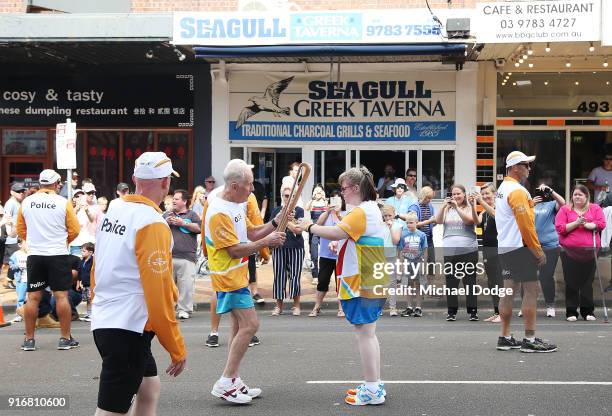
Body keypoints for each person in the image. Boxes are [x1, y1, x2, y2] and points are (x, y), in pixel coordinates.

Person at [91, 152, 187, 415]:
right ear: (166, 183)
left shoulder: (115, 209)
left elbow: (97, 266)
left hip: (108, 318)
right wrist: (176, 347)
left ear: (134, 179)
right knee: (111, 410)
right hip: (129, 326)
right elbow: (159, 294)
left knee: (149, 387)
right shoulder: (153, 222)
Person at [301, 167, 390, 406]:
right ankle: (374, 384)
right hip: (369, 278)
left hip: (363, 280)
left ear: (355, 188)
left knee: (366, 334)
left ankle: (372, 388)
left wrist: (307, 227)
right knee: (368, 333)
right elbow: (352, 237)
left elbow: (336, 232)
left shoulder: (362, 211)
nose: (341, 193)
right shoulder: (368, 210)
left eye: (343, 188)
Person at [205, 159, 287, 404]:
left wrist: (274, 222)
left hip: (237, 274)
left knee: (238, 327)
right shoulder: (219, 211)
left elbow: (250, 233)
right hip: (228, 277)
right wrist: (267, 242)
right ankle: (225, 381)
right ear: (233, 185)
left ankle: (233, 379)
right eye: (249, 185)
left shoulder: (237, 202)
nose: (252, 190)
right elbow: (234, 250)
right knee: (250, 326)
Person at [495, 150, 556, 353]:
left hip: (505, 247)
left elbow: (513, 217)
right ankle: (529, 339)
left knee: (508, 292)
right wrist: (537, 250)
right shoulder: (518, 191)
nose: (529, 168)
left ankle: (504, 336)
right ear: (514, 168)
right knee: (531, 291)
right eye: (525, 165)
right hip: (521, 248)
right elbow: (526, 226)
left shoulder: (503, 188)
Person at [16, 169, 81, 351]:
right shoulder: (62, 202)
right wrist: (63, 241)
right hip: (57, 254)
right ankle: (65, 338)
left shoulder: (27, 201)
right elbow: (74, 229)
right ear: (56, 183)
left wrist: (34, 241)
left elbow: (21, 229)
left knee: (33, 297)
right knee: (61, 296)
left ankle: (29, 340)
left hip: (35, 254)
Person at [555, 184, 606, 321]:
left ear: (586, 196)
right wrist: (577, 223)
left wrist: (590, 225)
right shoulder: (565, 210)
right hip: (569, 252)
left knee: (587, 282)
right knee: (571, 281)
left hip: (590, 251)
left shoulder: (595, 208)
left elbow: (601, 223)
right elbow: (560, 228)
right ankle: (571, 311)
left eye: (580, 194)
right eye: (575, 194)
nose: (577, 197)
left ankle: (588, 311)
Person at [434, 184, 479, 321]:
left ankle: (472, 311)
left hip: (468, 249)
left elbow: (469, 221)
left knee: (469, 281)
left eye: (458, 194)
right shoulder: (447, 209)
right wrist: (443, 206)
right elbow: (438, 221)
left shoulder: (469, 207)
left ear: (464, 194)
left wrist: (457, 207)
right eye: (453, 194)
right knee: (451, 282)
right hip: (450, 250)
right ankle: (451, 311)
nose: (456, 196)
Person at [163, 189, 201, 320]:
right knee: (166, 287)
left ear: (184, 201)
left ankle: (184, 310)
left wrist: (182, 223)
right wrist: (165, 223)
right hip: (168, 256)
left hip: (187, 256)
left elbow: (199, 228)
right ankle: (167, 310)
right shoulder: (166, 215)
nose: (173, 200)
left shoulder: (192, 215)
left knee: (186, 285)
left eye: (177, 199)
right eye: (173, 198)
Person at [308, 190, 345, 317]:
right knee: (322, 281)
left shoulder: (346, 214)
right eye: (333, 200)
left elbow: (346, 226)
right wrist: (328, 211)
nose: (335, 203)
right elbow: (318, 225)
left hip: (342, 255)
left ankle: (341, 308)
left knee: (341, 281)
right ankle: (316, 307)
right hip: (325, 254)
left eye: (338, 200)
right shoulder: (325, 214)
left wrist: (339, 214)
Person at [270, 184, 305, 316]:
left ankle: (296, 306)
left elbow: (297, 229)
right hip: (279, 246)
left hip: (296, 247)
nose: (289, 198)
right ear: (282, 196)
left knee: (295, 276)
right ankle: (278, 306)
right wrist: (283, 216)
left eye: (292, 196)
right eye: (286, 195)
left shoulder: (300, 210)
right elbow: (271, 228)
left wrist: (285, 219)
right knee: (279, 276)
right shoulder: (276, 211)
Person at [532, 184, 565, 318]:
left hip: (549, 245)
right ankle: (527, 305)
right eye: (539, 191)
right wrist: (530, 203)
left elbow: (563, 203)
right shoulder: (531, 204)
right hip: (531, 245)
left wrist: (551, 191)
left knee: (546, 276)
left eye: (543, 191)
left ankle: (550, 305)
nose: (542, 193)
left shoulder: (551, 204)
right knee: (528, 276)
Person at [471, 183, 502, 322]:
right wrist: (472, 204)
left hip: (498, 250)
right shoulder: (484, 211)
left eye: (487, 194)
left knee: (499, 282)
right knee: (492, 282)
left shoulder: (499, 208)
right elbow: (476, 221)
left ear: (494, 194)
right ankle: (496, 312)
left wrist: (481, 202)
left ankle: (502, 313)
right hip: (487, 251)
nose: (484, 196)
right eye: (482, 194)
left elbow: (495, 215)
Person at [393, 212, 428, 318]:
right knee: (407, 285)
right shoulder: (403, 234)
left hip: (418, 262)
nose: (409, 225)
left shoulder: (422, 235)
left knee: (418, 284)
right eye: (407, 223)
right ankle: (409, 307)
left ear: (417, 223)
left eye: (411, 223)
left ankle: (418, 307)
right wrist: (400, 263)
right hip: (407, 262)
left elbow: (425, 250)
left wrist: (424, 264)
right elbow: (400, 250)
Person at [2, 182, 27, 289]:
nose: (21, 193)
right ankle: (7, 280)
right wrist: (11, 234)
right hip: (12, 238)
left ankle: (8, 280)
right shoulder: (10, 203)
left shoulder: (18, 202)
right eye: (18, 191)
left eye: (22, 191)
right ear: (12, 192)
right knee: (14, 260)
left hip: (17, 236)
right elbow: (7, 219)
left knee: (12, 261)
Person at [408, 186, 436, 272]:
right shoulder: (414, 207)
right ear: (423, 196)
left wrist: (435, 222)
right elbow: (413, 225)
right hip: (416, 238)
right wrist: (429, 221)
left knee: (431, 262)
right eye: (428, 198)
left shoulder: (430, 206)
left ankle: (430, 281)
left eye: (431, 198)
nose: (429, 200)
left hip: (428, 237)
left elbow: (431, 223)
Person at [70, 182, 103, 256]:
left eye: (93, 193)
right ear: (84, 193)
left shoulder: (96, 206)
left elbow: (92, 220)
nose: (91, 195)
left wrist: (87, 210)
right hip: (77, 243)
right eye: (89, 193)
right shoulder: (78, 204)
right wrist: (76, 209)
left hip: (90, 243)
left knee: (89, 267)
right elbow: (70, 219)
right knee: (76, 266)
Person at [381, 205, 402, 317]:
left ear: (394, 214)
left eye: (390, 215)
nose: (388, 218)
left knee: (392, 283)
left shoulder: (397, 226)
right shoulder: (379, 226)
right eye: (385, 216)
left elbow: (395, 241)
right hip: (380, 256)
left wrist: (390, 227)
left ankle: (393, 307)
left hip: (391, 256)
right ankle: (379, 307)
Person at [305, 185, 327, 285]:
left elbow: (331, 212)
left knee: (325, 254)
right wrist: (312, 198)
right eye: (316, 191)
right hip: (314, 230)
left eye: (320, 191)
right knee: (314, 254)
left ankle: (324, 274)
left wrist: (324, 197)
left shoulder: (325, 202)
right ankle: (315, 276)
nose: (318, 193)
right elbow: (306, 207)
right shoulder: (312, 202)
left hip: (324, 229)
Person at [8, 238, 28, 322]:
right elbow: (11, 265)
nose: (28, 245)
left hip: (32, 279)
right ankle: (19, 314)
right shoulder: (16, 254)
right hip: (21, 280)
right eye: (26, 243)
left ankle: (32, 314)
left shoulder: (31, 254)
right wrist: (18, 266)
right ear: (20, 245)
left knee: (33, 298)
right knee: (21, 298)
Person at [76, 242, 94, 322]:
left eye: (84, 251)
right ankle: (89, 313)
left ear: (90, 252)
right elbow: (79, 273)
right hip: (84, 283)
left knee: (91, 299)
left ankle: (92, 314)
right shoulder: (82, 261)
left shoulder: (93, 261)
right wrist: (79, 283)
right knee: (87, 299)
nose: (82, 253)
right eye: (81, 251)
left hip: (91, 283)